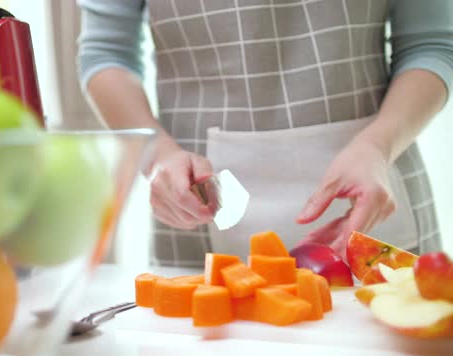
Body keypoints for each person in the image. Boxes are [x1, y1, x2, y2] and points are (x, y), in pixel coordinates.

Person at [77, 0, 453, 267]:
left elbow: (431, 44)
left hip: (375, 194)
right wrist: (157, 156)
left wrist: (377, 146)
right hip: (196, 208)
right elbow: (106, 54)